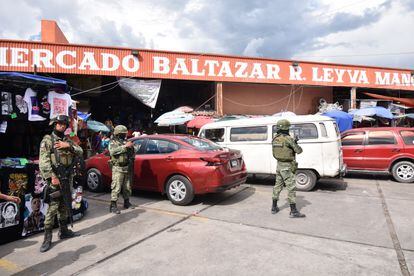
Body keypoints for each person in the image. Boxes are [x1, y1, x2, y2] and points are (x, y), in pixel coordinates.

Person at [38, 115, 83, 252]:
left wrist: (68, 145)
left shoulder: (67, 140)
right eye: (60, 124)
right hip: (55, 179)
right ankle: (47, 237)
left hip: (67, 178)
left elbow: (80, 151)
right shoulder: (48, 140)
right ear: (54, 124)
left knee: (65, 204)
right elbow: (43, 162)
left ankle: (63, 231)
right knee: (53, 208)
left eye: (64, 124)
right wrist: (52, 176)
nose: (62, 126)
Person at [271, 119, 305, 218]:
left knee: (277, 186)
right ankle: (293, 211)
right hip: (287, 166)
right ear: (286, 128)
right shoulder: (288, 139)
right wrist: (295, 142)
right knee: (291, 187)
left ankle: (274, 207)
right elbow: (299, 151)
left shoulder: (275, 138)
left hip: (279, 165)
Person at [108, 125, 136, 214]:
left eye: (125, 134)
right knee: (116, 187)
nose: (124, 135)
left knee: (127, 187)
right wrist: (125, 147)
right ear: (118, 134)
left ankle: (126, 202)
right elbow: (113, 151)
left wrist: (132, 147)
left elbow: (134, 150)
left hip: (127, 167)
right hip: (118, 168)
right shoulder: (113, 142)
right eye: (122, 134)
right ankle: (113, 206)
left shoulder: (126, 141)